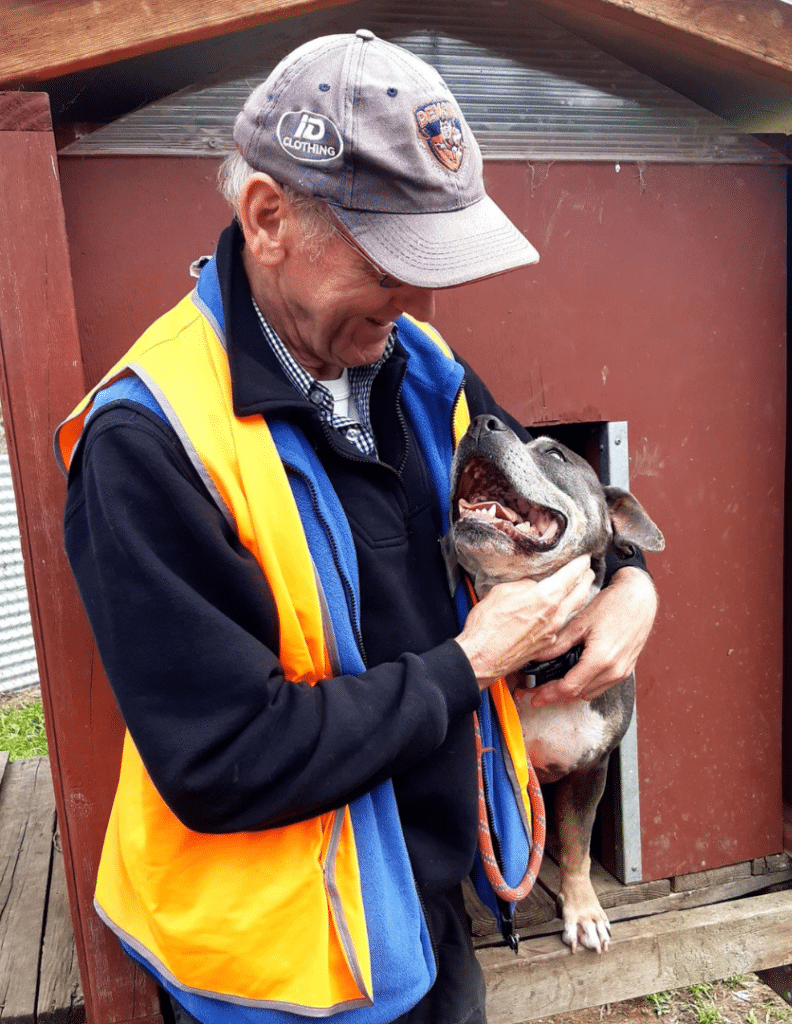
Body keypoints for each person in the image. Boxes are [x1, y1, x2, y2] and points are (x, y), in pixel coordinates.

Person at [56, 31, 658, 1024]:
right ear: (268, 218)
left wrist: (630, 581)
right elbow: (222, 759)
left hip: (421, 900)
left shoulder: (414, 361)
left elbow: (546, 495)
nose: (418, 298)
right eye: (391, 259)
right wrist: (470, 663)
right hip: (276, 967)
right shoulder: (147, 441)